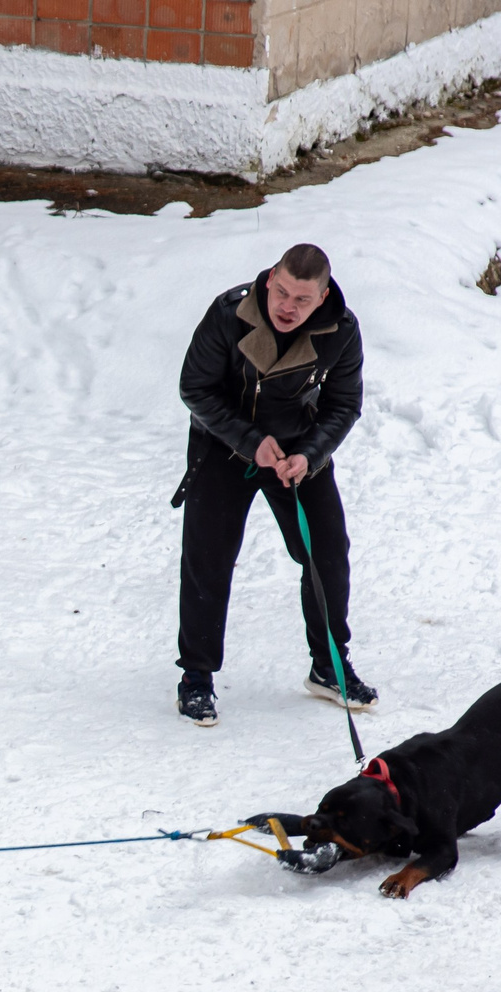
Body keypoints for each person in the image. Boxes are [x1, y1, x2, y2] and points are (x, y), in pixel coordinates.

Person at [171, 242, 368, 729]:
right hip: (224, 446)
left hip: (298, 454)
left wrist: (311, 454)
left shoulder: (341, 332)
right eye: (281, 292)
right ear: (270, 279)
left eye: (301, 300)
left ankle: (328, 666)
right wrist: (249, 439)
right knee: (208, 560)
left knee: (325, 553)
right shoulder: (228, 313)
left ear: (321, 299)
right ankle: (196, 678)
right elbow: (195, 388)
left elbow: (343, 405)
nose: (287, 306)